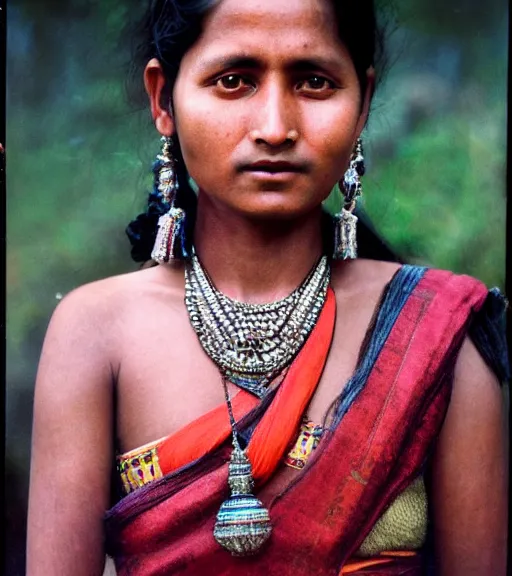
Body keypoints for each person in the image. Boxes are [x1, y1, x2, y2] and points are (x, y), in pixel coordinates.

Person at [26, 0, 509, 574]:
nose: (276, 128)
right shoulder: (95, 333)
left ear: (364, 105)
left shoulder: (439, 335)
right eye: (234, 81)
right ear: (163, 100)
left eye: (314, 82)